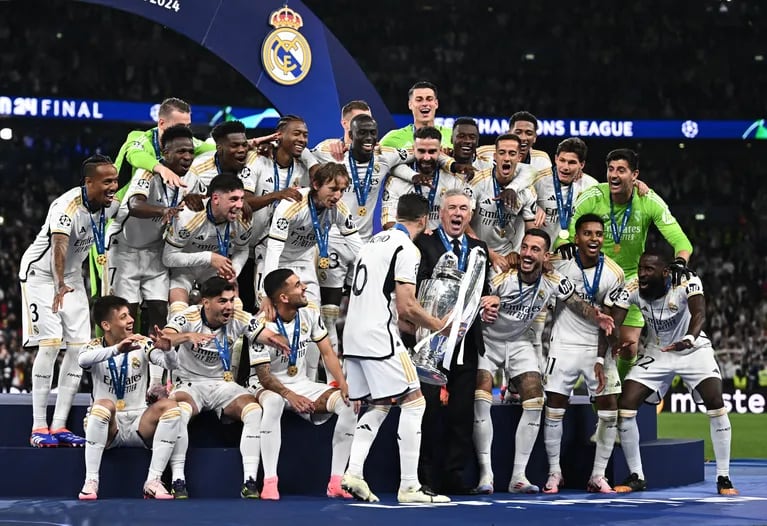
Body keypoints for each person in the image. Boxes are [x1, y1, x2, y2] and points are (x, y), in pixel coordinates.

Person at [477, 229, 614, 494]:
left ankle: (518, 476)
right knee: (481, 398)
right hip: (487, 341)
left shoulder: (553, 278)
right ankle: (486, 474)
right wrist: (488, 302)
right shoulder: (501, 273)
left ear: (545, 255)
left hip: (519, 342)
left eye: (535, 249)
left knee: (535, 400)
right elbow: (477, 296)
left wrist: (597, 317)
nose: (528, 253)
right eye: (525, 247)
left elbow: (575, 302)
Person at [340, 193, 451, 504]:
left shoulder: (373, 241)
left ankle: (355, 473)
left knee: (381, 404)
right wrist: (437, 323)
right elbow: (406, 307)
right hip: (378, 335)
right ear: (424, 220)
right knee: (415, 402)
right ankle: (410, 486)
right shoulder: (407, 248)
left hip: (353, 337)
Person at [604, 249, 738, 496]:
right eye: (641, 267)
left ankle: (724, 477)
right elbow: (615, 320)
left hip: (692, 348)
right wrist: (614, 341)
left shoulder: (687, 281)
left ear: (665, 272)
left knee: (715, 401)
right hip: (657, 351)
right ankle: (636, 475)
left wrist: (689, 338)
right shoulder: (632, 287)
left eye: (648, 270)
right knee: (626, 404)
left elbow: (699, 313)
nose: (642, 274)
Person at [564, 148, 693, 381]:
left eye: (621, 170)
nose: (613, 175)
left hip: (631, 280)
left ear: (635, 175)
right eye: (610, 169)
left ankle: (620, 392)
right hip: (595, 275)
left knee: (629, 347)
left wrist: (680, 262)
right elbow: (568, 233)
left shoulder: (647, 200)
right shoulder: (593, 196)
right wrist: (566, 246)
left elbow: (681, 240)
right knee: (587, 345)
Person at [19, 154, 120, 447]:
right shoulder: (66, 206)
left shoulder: (106, 205)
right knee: (50, 345)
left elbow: (132, 210)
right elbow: (59, 246)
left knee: (78, 350)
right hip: (42, 275)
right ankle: (39, 427)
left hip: (72, 279)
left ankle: (60, 425)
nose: (113, 186)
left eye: (115, 180)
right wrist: (60, 284)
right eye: (107, 181)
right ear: (88, 182)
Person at [160, 277, 289, 498]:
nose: (229, 306)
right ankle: (178, 479)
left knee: (255, 411)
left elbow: (265, 335)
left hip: (224, 384)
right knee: (179, 413)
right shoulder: (188, 316)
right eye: (222, 301)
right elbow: (166, 337)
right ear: (205, 303)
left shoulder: (238, 317)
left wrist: (278, 339)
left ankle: (250, 481)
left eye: (231, 300)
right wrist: (187, 336)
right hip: (191, 383)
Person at [311, 114, 415, 359]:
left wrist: (421, 171)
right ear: (350, 135)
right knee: (329, 313)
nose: (368, 138)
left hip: (364, 245)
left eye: (372, 133)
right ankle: (332, 379)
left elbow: (415, 151)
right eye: (362, 133)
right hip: (334, 242)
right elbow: (304, 153)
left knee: (370, 309)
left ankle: (370, 363)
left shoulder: (384, 157)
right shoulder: (331, 157)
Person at [411, 189, 494, 495]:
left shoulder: (479, 248)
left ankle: (454, 474)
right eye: (452, 208)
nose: (458, 213)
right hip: (430, 340)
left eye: (463, 209)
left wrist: (490, 301)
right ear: (441, 214)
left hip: (466, 342)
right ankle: (426, 477)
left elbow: (484, 290)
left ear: (470, 215)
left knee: (461, 413)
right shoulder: (424, 243)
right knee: (429, 410)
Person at [247, 269, 355, 500]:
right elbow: (264, 377)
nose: (304, 287)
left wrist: (344, 384)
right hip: (265, 386)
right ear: (283, 297)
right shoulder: (259, 325)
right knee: (275, 402)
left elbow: (327, 352)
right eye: (297, 285)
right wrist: (290, 396)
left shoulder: (309, 314)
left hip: (301, 384)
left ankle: (336, 482)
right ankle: (269, 481)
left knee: (348, 404)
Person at [106, 124, 196, 388]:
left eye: (190, 151)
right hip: (124, 250)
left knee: (159, 311)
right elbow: (134, 205)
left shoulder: (191, 178)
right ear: (165, 153)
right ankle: (124, 376)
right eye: (180, 152)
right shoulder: (147, 171)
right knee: (127, 316)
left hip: (156, 251)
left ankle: (155, 382)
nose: (187, 157)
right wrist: (164, 210)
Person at [542, 214, 625, 494]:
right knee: (554, 406)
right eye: (587, 233)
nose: (594, 238)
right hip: (563, 344)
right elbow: (538, 262)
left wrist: (601, 359)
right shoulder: (559, 263)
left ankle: (598, 475)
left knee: (610, 409)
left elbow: (611, 322)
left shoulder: (614, 273)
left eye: (598, 234)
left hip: (596, 349)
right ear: (576, 238)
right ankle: (555, 473)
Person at [261, 162, 362, 382]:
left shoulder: (339, 209)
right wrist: (266, 293)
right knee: (269, 320)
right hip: (275, 264)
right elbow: (274, 248)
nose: (337, 196)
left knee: (314, 321)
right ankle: (264, 380)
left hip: (305, 263)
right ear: (316, 185)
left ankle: (310, 380)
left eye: (342, 190)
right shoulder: (291, 205)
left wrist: (376, 269)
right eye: (333, 189)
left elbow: (358, 248)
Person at [77, 296, 183, 500]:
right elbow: (82, 360)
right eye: (123, 316)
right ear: (106, 325)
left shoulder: (141, 343)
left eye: (130, 315)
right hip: (108, 426)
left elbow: (171, 365)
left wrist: (168, 350)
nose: (131, 320)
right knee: (103, 405)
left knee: (171, 406)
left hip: (138, 423)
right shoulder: (93, 347)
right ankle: (91, 481)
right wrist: (117, 349)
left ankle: (153, 481)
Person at [163, 173, 252, 317]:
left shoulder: (244, 217)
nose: (240, 205)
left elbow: (242, 249)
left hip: (214, 269)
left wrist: (234, 270)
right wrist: (209, 257)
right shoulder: (190, 215)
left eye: (242, 199)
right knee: (179, 314)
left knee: (234, 307)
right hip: (184, 267)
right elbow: (168, 258)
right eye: (233, 199)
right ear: (216, 198)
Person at [468, 133, 538, 273]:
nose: (506, 158)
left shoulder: (527, 191)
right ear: (495, 157)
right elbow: (464, 224)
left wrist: (519, 253)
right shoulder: (477, 182)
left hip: (507, 257)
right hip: (476, 251)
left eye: (512, 154)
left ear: (519, 157)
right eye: (502, 153)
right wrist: (489, 253)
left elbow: (531, 232)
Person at [383, 127, 471, 231]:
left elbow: (463, 217)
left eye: (432, 152)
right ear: (413, 150)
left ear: (440, 151)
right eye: (421, 151)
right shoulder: (395, 181)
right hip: (408, 242)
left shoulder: (454, 179)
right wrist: (413, 235)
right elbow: (388, 222)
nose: (426, 157)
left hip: (443, 243)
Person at [113, 97, 210, 191]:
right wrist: (162, 170)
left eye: (187, 126)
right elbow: (134, 155)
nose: (184, 131)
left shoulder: (188, 142)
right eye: (179, 126)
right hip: (118, 200)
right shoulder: (140, 137)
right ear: (161, 123)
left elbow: (215, 149)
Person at [534, 137, 599, 244]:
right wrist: (535, 207)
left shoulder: (591, 186)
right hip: (544, 254)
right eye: (562, 160)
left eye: (572, 162)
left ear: (581, 165)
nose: (565, 167)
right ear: (555, 159)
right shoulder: (539, 182)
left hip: (573, 254)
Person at [379, 81, 452, 150]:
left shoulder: (451, 135)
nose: (424, 103)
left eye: (429, 99)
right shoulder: (393, 138)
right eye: (419, 100)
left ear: (436, 103)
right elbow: (375, 159)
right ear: (410, 104)